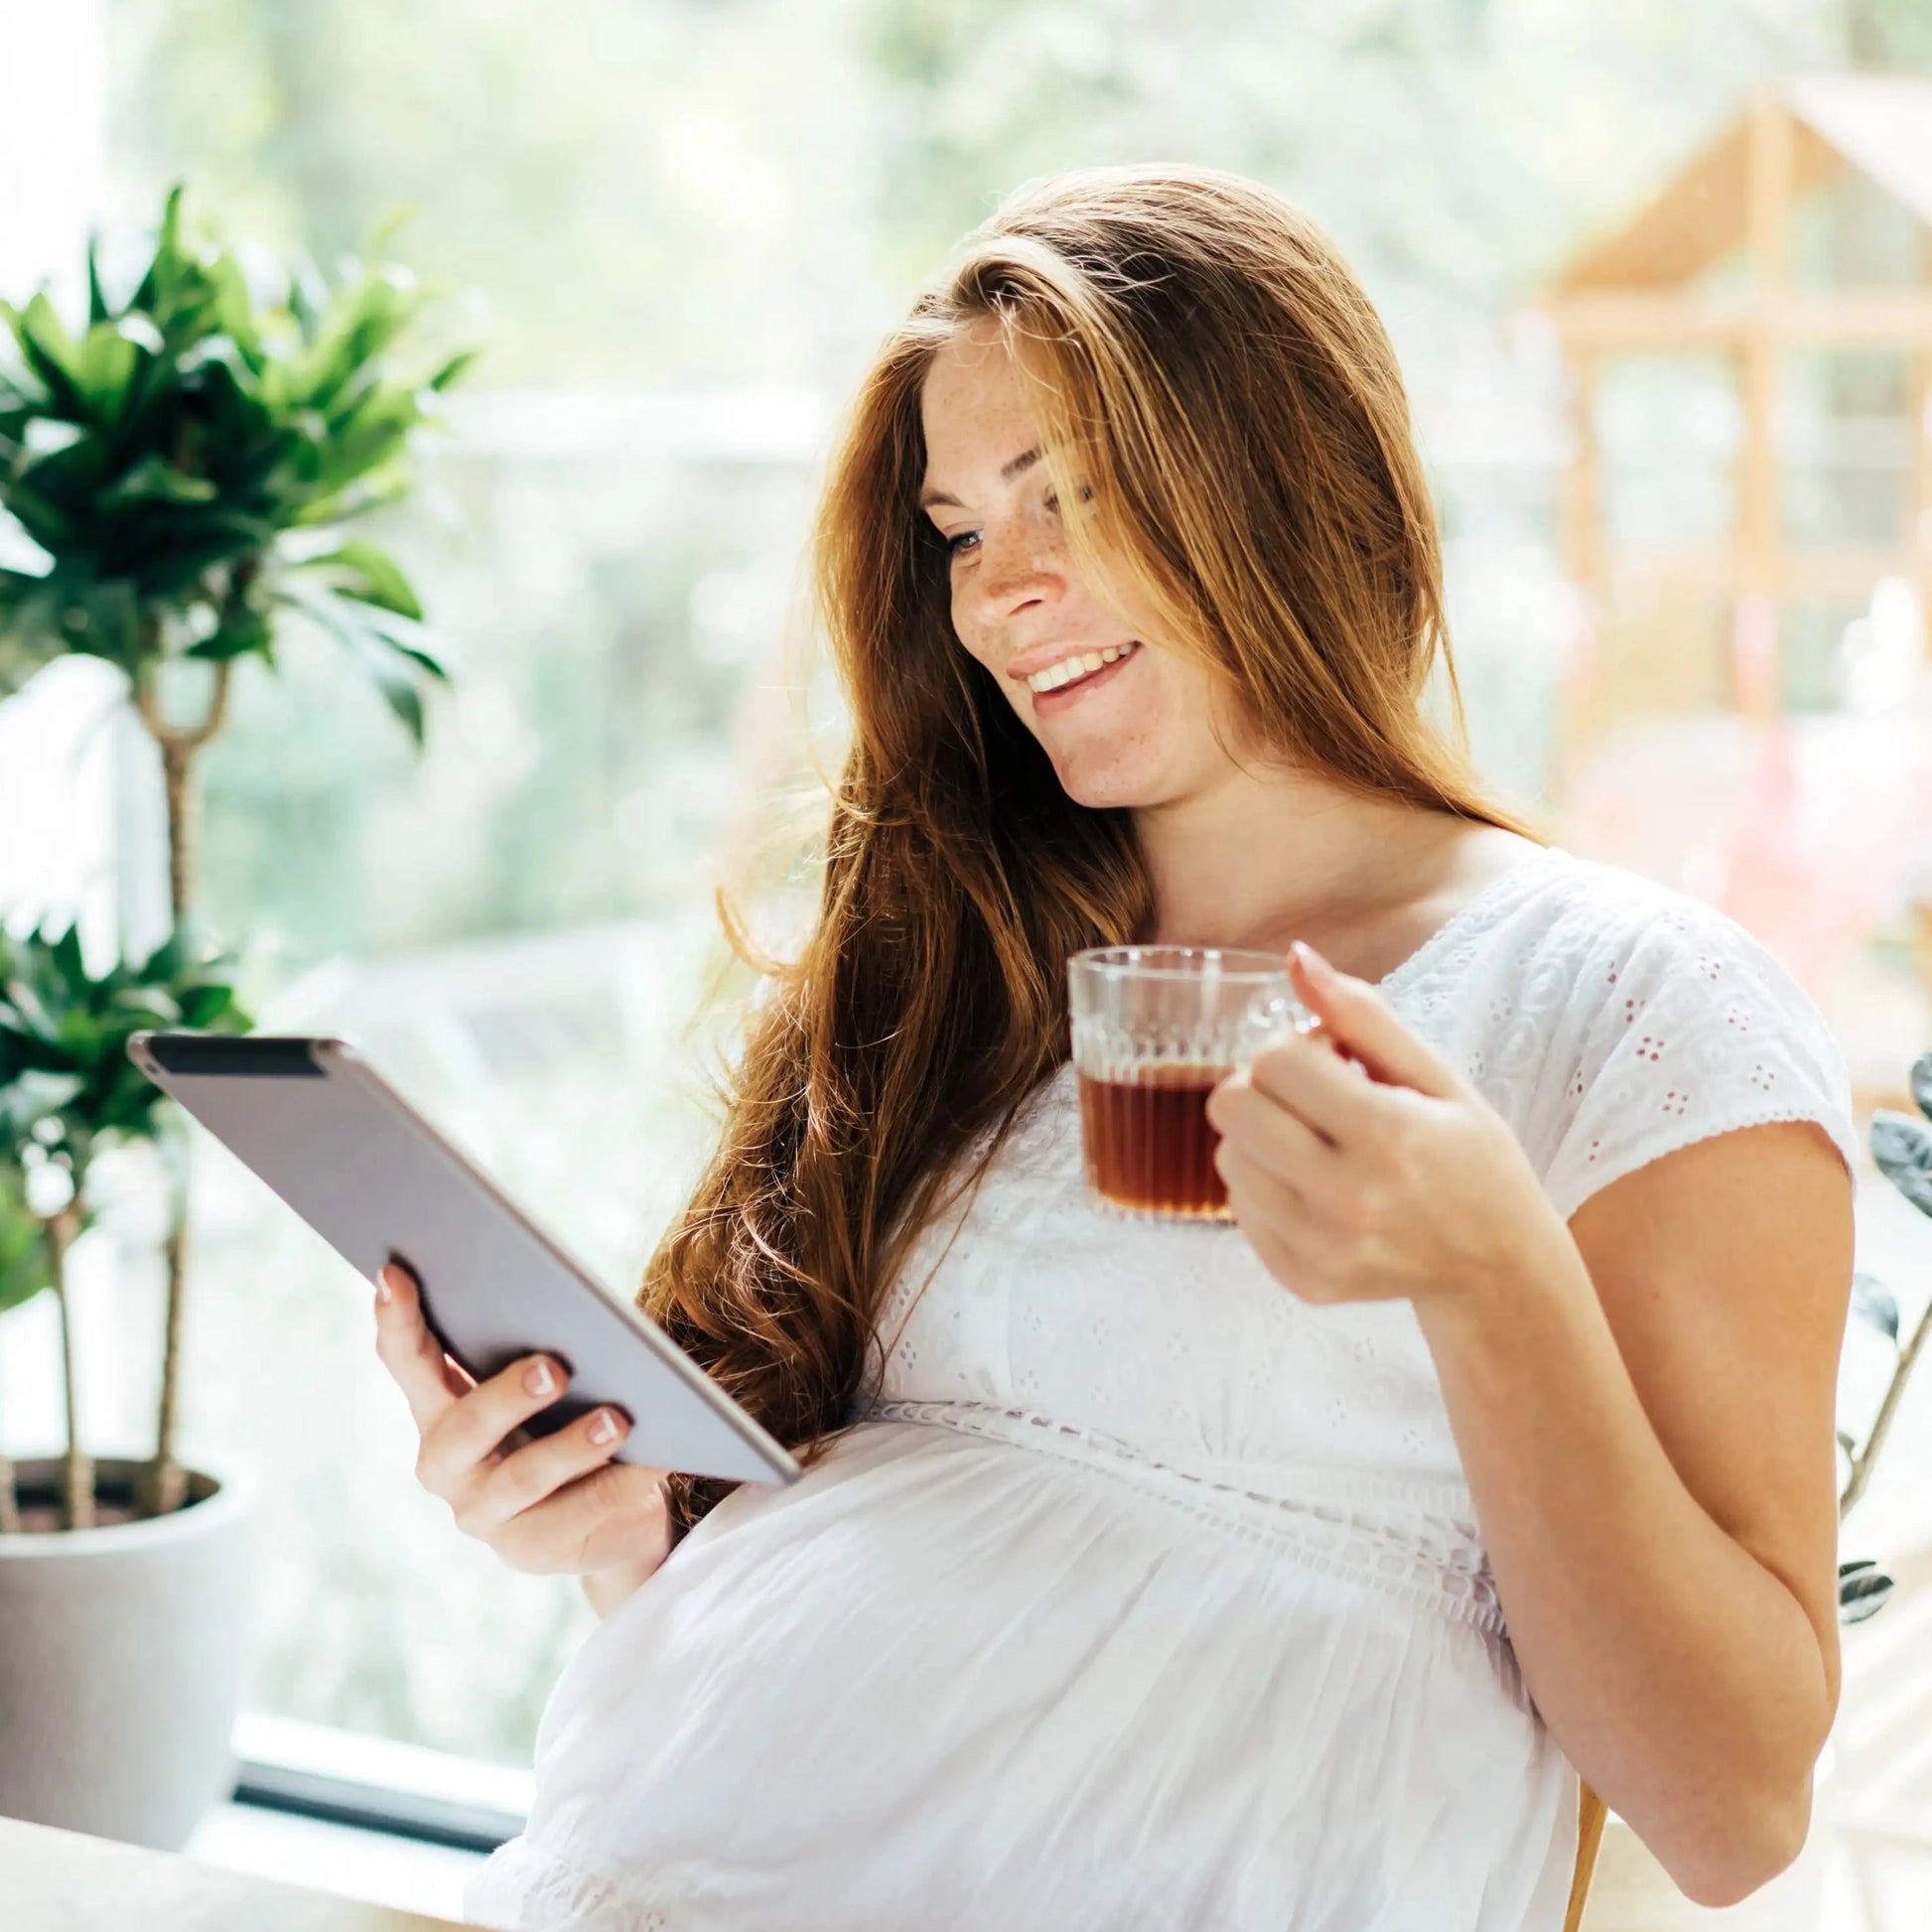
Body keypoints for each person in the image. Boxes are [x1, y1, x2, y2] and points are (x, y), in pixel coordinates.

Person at [371, 164, 1860, 1932]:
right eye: (958, 530)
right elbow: (928, 1602)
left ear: (1281, 478)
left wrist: (1491, 1279)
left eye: (1061, 493)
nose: (1000, 592)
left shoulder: (1628, 1004)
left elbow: (1731, 1810)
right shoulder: (963, 959)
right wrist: (620, 1542)